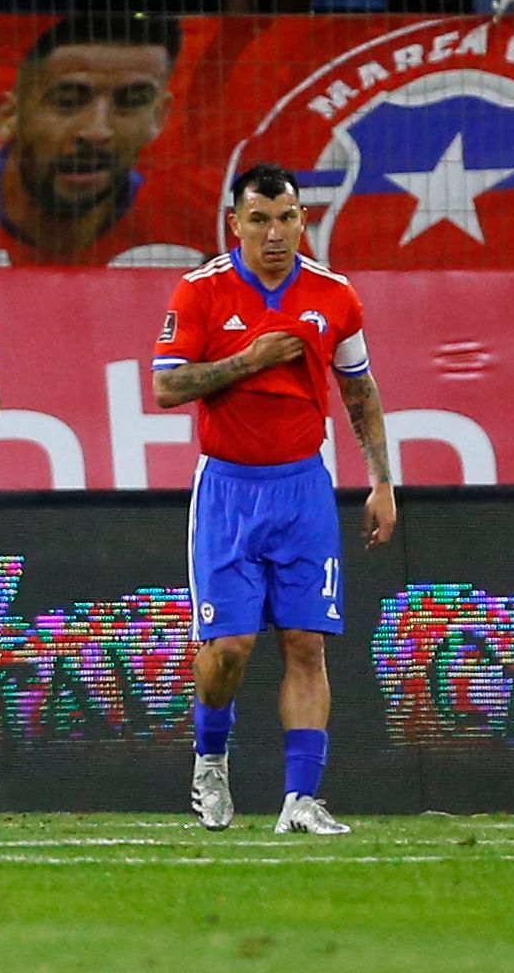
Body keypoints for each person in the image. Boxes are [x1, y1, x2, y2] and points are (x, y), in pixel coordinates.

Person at [155, 160, 393, 837]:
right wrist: (249, 360)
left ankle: (300, 798)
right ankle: (210, 756)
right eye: (259, 220)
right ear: (236, 224)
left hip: (304, 487)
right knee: (228, 649)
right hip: (228, 487)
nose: (275, 233)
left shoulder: (334, 294)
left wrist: (381, 480)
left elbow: (359, 390)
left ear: (302, 220)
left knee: (306, 642)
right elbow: (167, 387)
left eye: (286, 218)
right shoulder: (201, 290)